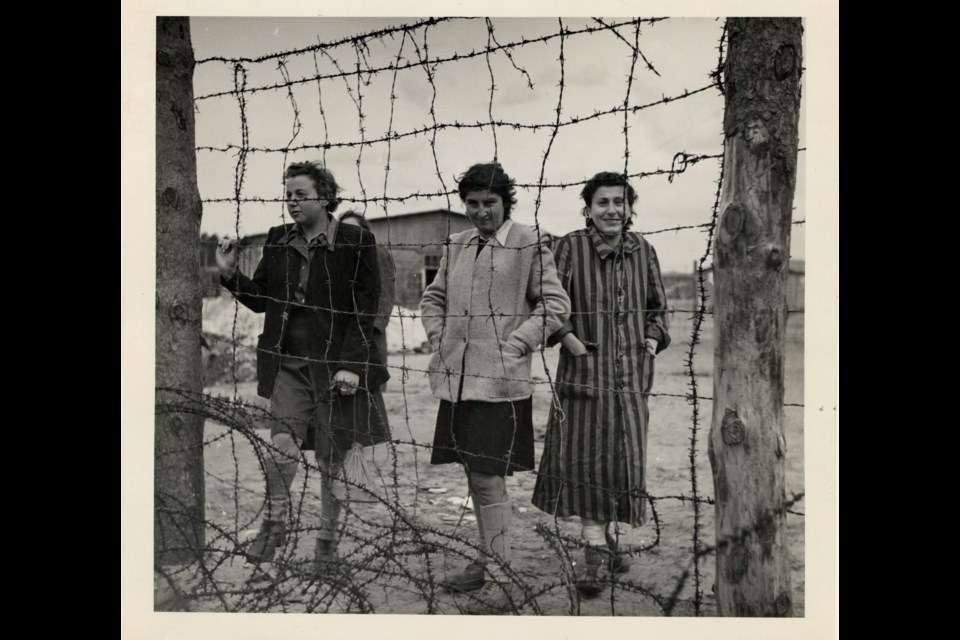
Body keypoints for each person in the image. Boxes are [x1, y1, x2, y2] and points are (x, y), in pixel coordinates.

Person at [216, 161, 390, 578]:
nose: (292, 202)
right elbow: (261, 300)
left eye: (301, 195)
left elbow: (366, 310)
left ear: (326, 196)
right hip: (289, 367)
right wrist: (228, 273)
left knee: (332, 460)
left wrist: (351, 366)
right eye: (288, 194)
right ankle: (274, 527)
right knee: (282, 449)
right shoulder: (278, 240)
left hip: (334, 371)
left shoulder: (355, 240)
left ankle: (326, 546)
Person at [420, 162, 570, 614]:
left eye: (490, 203)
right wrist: (437, 336)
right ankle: (488, 564)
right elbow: (434, 297)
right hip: (456, 381)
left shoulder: (530, 243)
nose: (481, 212)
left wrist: (518, 343)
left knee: (488, 480)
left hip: (501, 384)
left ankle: (502, 581)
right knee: (474, 473)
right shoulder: (456, 244)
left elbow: (555, 304)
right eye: (472, 204)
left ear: (506, 202)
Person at [530, 171, 671, 598]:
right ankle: (593, 554)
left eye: (620, 202)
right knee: (586, 463)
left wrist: (650, 340)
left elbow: (659, 308)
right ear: (588, 209)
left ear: (630, 208)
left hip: (630, 379)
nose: (612, 210)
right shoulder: (570, 247)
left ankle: (607, 540)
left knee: (620, 465)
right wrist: (570, 342)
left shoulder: (642, 249)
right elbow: (544, 300)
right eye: (603, 203)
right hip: (583, 374)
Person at [339, 210, 397, 391]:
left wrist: (372, 326)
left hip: (370, 331)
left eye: (353, 229)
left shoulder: (376, 252)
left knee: (370, 387)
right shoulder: (342, 256)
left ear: (365, 231)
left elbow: (386, 292)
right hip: (348, 332)